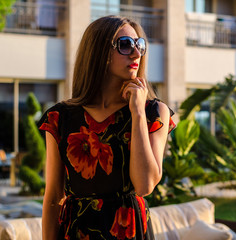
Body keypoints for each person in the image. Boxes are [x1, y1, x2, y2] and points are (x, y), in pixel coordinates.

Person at [39, 16, 176, 240]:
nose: (136, 54)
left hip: (129, 231)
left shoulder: (153, 113)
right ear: (98, 51)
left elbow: (144, 185)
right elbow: (54, 196)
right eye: (125, 45)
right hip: (76, 232)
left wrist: (138, 112)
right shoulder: (60, 118)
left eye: (139, 45)